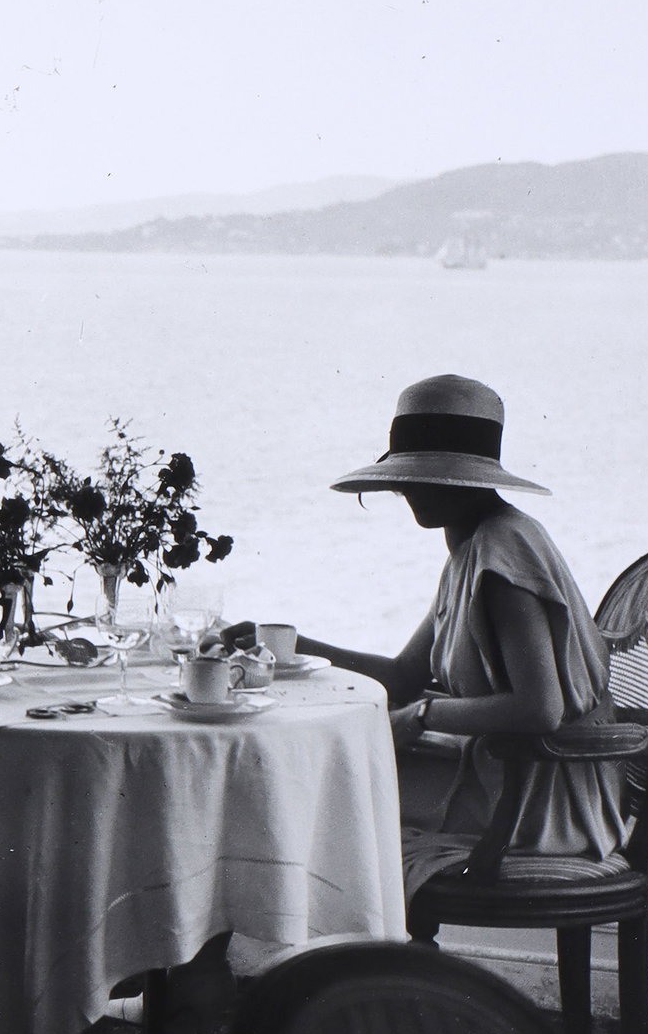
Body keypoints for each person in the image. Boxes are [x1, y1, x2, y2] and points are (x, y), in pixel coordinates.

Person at [227, 373, 627, 899]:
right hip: (508, 774)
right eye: (406, 476)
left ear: (466, 480)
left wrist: (419, 717)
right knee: (298, 790)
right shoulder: (473, 544)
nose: (405, 489)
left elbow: (540, 709)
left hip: (536, 801)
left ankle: (319, 963)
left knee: (292, 799)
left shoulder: (503, 552)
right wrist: (288, 644)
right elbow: (403, 674)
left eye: (424, 477)